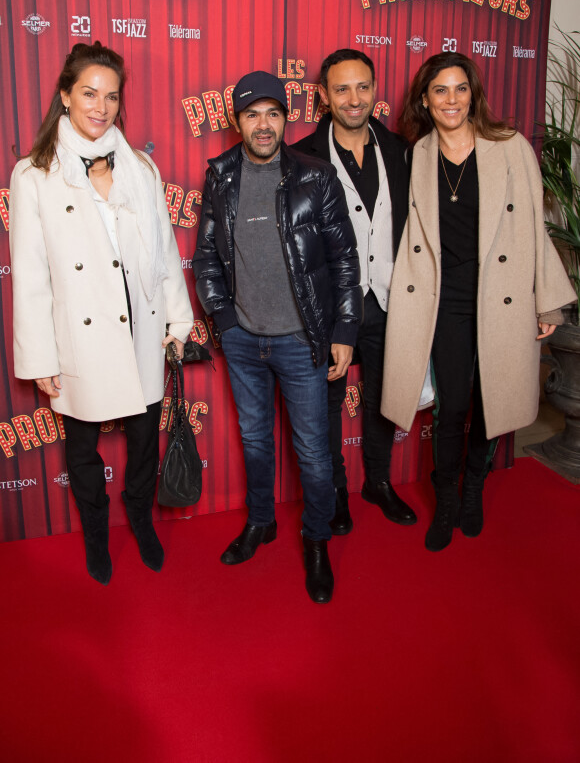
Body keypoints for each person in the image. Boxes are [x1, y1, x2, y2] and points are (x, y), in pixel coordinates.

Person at [10, 42, 194, 584]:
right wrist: (40, 354)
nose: (101, 106)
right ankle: (96, 531)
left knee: (143, 439)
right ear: (65, 96)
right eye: (89, 93)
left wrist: (177, 323)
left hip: (140, 329)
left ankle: (140, 517)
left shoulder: (140, 167)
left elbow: (163, 252)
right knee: (84, 448)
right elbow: (32, 276)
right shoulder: (33, 175)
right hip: (79, 339)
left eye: (111, 96)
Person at [381, 51, 575, 551]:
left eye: (460, 88)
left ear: (474, 94)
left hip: (501, 298)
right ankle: (446, 498)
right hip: (442, 300)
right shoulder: (417, 153)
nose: (451, 100)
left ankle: (474, 489)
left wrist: (548, 302)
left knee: (493, 405)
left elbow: (533, 224)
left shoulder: (509, 147)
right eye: (440, 90)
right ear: (425, 99)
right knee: (451, 409)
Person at [193, 70, 362, 603]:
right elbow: (205, 257)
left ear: (286, 118)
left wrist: (344, 329)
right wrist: (224, 320)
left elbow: (344, 260)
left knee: (313, 453)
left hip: (302, 340)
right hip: (243, 340)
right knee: (254, 440)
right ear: (237, 121)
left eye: (272, 113)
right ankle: (261, 522)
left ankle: (315, 540)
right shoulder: (220, 175)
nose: (262, 125)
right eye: (251, 114)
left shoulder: (316, 177)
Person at [293, 48, 416, 534]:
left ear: (375, 88)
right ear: (324, 95)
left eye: (362, 86)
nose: (354, 98)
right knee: (325, 408)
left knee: (386, 397)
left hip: (391, 299)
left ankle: (379, 483)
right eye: (341, 88)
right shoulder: (301, 155)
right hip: (328, 309)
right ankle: (337, 492)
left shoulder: (402, 150)